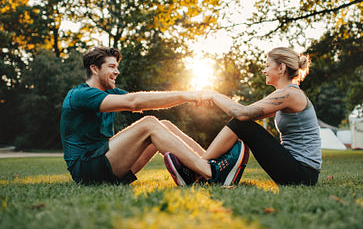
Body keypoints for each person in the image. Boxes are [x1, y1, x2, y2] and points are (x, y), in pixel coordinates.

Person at [60, 46, 247, 186]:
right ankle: (212, 173)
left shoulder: (111, 93)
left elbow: (149, 100)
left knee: (163, 124)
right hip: (86, 170)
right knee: (149, 124)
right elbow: (135, 102)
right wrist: (186, 95)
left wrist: (190, 97)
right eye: (111, 67)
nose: (116, 71)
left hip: (105, 164)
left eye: (116, 67)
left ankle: (207, 164)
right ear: (94, 69)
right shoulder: (80, 95)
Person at [165, 47, 321, 186]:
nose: (264, 70)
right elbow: (244, 113)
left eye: (267, 66)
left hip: (302, 173)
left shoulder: (290, 94)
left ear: (281, 68)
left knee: (242, 123)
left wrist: (212, 94)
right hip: (298, 171)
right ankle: (205, 167)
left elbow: (242, 114)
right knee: (242, 125)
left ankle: (197, 169)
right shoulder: (287, 94)